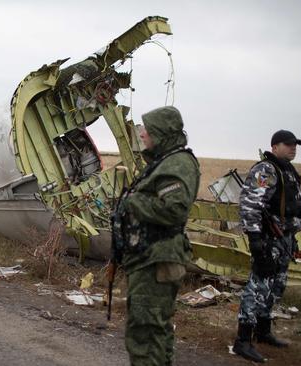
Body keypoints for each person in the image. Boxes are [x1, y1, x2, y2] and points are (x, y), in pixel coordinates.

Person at [112, 106, 200, 366]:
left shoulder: (177, 163)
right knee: (155, 330)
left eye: (147, 130)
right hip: (151, 257)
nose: (142, 135)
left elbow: (175, 210)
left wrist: (133, 202)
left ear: (161, 133)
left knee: (145, 332)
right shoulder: (167, 160)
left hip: (157, 259)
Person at [233, 130, 301, 363]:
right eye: (288, 144)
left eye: (295, 144)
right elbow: (251, 205)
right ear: (274, 147)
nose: (293, 148)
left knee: (276, 287)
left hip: (284, 239)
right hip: (267, 239)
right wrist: (255, 240)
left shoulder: (288, 171)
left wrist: (291, 240)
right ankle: (243, 340)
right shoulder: (266, 170)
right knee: (258, 286)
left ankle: (263, 331)